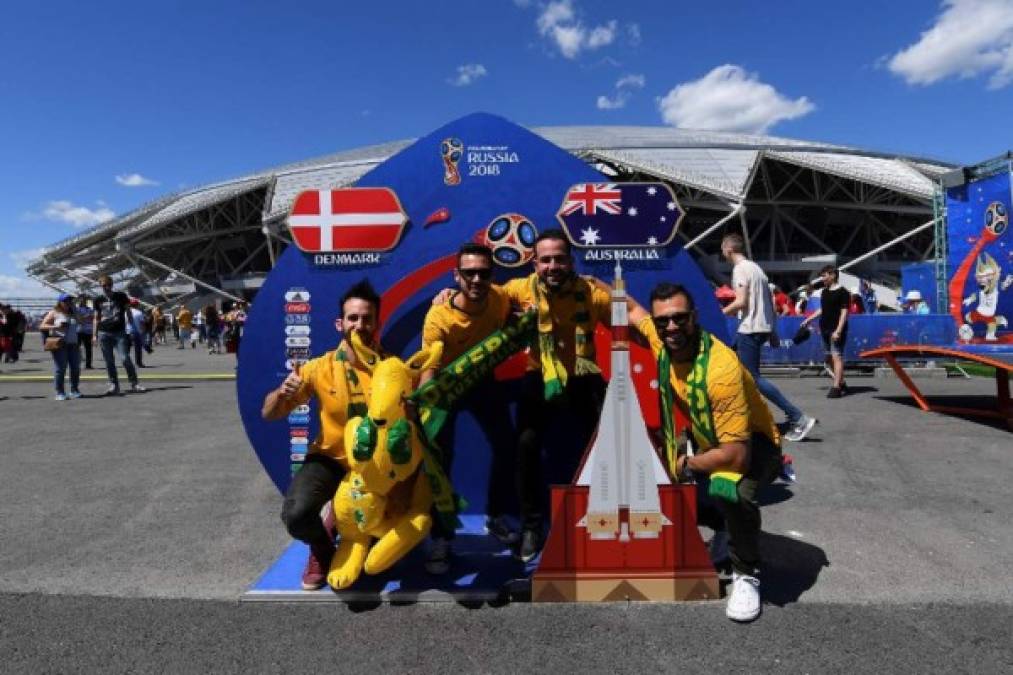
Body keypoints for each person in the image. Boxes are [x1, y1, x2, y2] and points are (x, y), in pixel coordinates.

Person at [628, 282, 782, 622]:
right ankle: (725, 529)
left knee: (732, 491)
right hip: (711, 440)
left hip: (754, 445)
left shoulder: (720, 369)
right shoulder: (661, 340)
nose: (671, 327)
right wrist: (589, 287)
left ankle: (747, 572)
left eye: (680, 319)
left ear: (694, 317)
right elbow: (629, 308)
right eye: (663, 320)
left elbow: (736, 456)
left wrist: (684, 463)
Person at [261, 280, 384, 591]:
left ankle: (350, 526)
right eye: (353, 318)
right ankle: (322, 547)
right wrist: (281, 393)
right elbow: (270, 413)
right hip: (330, 458)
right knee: (297, 515)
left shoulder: (390, 368)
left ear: (376, 322)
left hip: (375, 466)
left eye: (366, 318)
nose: (360, 325)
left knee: (386, 542)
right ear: (339, 323)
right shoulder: (318, 367)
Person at [499, 229, 612, 561]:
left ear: (570, 260)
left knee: (603, 450)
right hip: (539, 379)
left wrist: (655, 326)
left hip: (584, 378)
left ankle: (601, 520)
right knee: (526, 447)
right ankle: (533, 527)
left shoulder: (591, 294)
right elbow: (482, 303)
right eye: (545, 259)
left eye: (559, 258)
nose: (553, 266)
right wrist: (447, 294)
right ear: (535, 264)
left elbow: (628, 314)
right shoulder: (517, 290)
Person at [419, 243, 519, 574]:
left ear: (492, 275)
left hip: (482, 381)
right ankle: (442, 537)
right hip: (445, 387)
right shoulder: (439, 315)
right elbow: (429, 367)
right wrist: (424, 408)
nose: (476, 279)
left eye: (483, 273)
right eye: (469, 273)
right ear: (456, 276)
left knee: (507, 446)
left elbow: (528, 297)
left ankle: (496, 516)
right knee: (440, 458)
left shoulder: (500, 298)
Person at [719, 233, 815, 441]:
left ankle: (797, 417)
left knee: (752, 377)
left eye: (722, 250)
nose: (722, 254)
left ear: (728, 249)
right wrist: (772, 331)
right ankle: (748, 419)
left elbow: (742, 302)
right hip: (760, 328)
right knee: (734, 371)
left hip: (749, 328)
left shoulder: (740, 270)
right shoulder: (757, 270)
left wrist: (718, 313)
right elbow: (769, 305)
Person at [802, 265, 850, 398]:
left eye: (824, 276)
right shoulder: (824, 292)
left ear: (833, 275)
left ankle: (836, 388)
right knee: (829, 359)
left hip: (836, 330)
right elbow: (822, 309)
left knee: (837, 356)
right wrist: (809, 319)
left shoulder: (843, 292)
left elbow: (844, 313)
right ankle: (841, 382)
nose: (822, 278)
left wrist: (839, 330)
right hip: (825, 329)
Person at [92, 274, 144, 395]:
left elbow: (128, 312)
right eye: (104, 286)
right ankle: (113, 385)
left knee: (125, 358)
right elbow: (96, 318)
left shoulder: (121, 296)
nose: (106, 287)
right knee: (109, 361)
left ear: (112, 285)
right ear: (100, 286)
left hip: (119, 332)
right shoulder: (97, 300)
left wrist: (133, 327)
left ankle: (134, 383)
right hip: (104, 332)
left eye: (108, 285)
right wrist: (94, 335)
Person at [39, 294, 83, 401]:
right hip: (60, 344)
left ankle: (74, 390)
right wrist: (56, 326)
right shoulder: (54, 312)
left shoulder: (73, 312)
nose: (68, 302)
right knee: (61, 369)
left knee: (75, 368)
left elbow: (81, 321)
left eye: (70, 301)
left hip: (73, 344)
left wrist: (75, 310)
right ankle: (60, 392)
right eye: (65, 301)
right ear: (60, 302)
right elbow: (42, 326)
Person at [125, 299, 147, 367]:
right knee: (138, 349)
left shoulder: (125, 312)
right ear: (137, 305)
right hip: (136, 332)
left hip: (127, 332)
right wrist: (143, 332)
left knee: (126, 349)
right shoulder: (139, 313)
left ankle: (126, 363)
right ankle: (139, 363)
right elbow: (142, 324)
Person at [77, 296, 95, 368]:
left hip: (88, 331)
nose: (83, 301)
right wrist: (86, 317)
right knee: (77, 348)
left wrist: (86, 317)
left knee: (88, 349)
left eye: (84, 300)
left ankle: (88, 365)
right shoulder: (77, 309)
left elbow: (93, 317)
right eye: (82, 300)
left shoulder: (90, 309)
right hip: (79, 331)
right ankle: (76, 363)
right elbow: (78, 319)